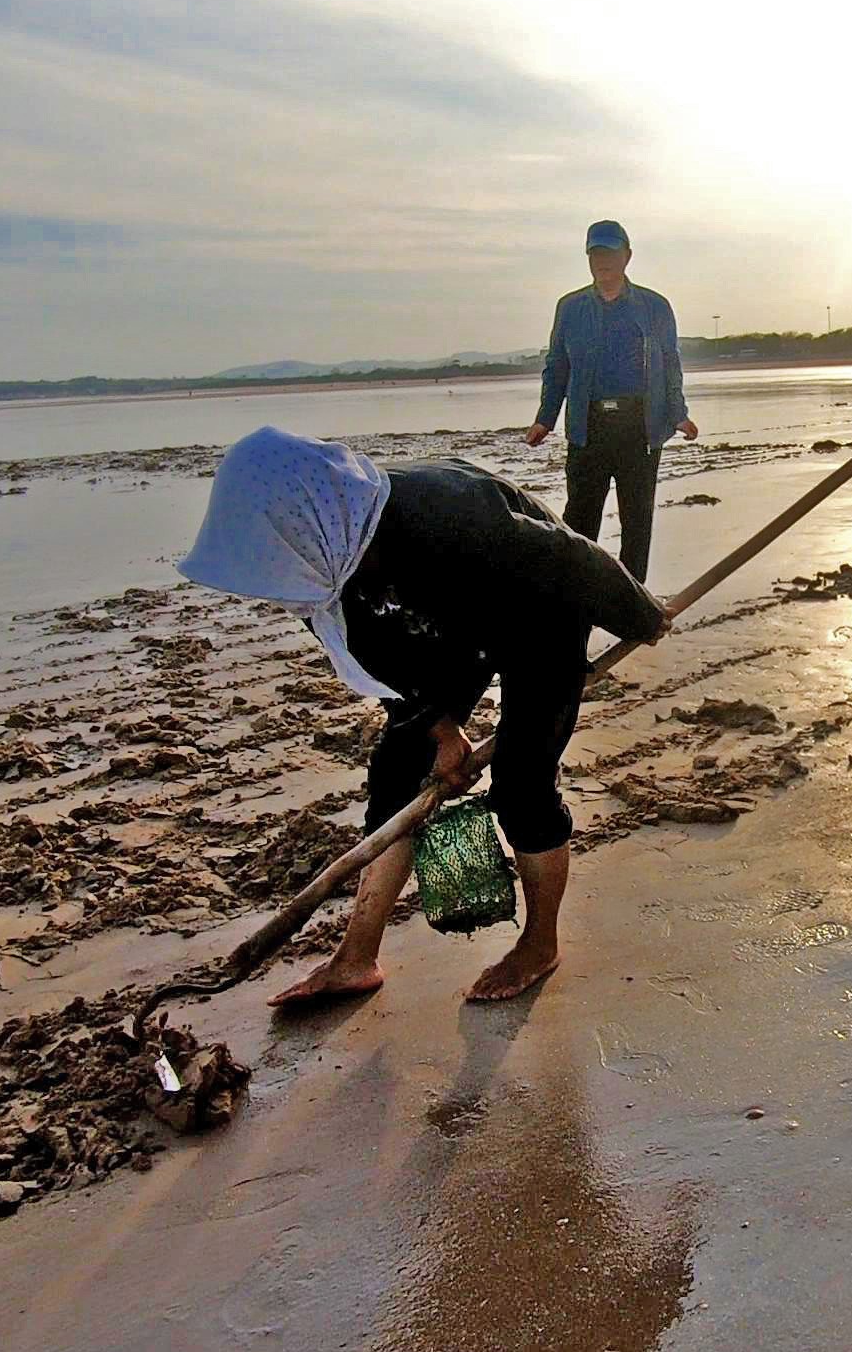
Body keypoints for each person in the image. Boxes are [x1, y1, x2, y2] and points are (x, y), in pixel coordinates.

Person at [177, 426, 668, 1003]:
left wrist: (643, 616)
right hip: (442, 624)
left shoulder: (449, 513)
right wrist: (441, 730)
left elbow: (572, 560)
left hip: (539, 606)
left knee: (522, 784)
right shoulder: (314, 567)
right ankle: (355, 957)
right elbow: (378, 659)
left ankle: (539, 945)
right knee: (397, 774)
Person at [527, 221, 698, 581]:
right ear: (589, 259)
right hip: (588, 428)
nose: (603, 261)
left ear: (627, 256)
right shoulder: (570, 308)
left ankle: (634, 604)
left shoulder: (654, 306)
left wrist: (678, 414)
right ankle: (576, 603)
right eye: (596, 254)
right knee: (579, 522)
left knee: (637, 521)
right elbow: (557, 365)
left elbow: (670, 364)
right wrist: (546, 417)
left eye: (610, 253)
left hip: (640, 428)